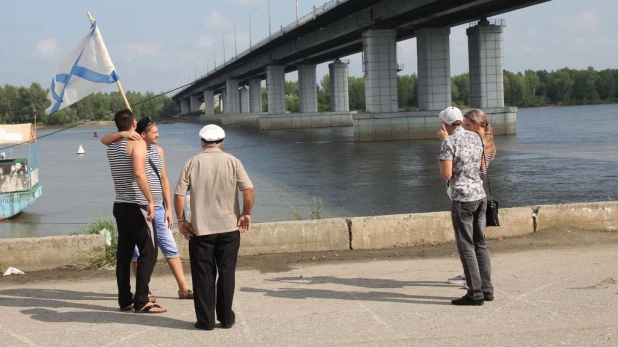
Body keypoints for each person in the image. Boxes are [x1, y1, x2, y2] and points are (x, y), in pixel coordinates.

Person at [101, 117, 194, 301]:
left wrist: (168, 208)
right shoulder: (133, 148)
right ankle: (145, 291)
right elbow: (107, 142)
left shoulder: (159, 151)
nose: (158, 135)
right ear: (142, 134)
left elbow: (164, 179)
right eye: (154, 132)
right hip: (141, 207)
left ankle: (184, 287)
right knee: (139, 252)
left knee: (169, 247)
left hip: (158, 207)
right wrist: (126, 134)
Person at [174, 124, 254, 330]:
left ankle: (206, 320)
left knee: (203, 276)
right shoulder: (233, 161)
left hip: (201, 230)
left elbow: (179, 195)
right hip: (229, 228)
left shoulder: (192, 162)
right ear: (222, 142)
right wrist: (245, 214)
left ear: (202, 141)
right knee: (227, 273)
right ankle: (226, 318)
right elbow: (248, 189)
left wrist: (182, 220)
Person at [106, 108, 166, 313]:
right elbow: (140, 173)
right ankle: (142, 300)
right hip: (136, 204)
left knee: (124, 255)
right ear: (134, 125)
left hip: (120, 204)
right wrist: (150, 200)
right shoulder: (137, 144)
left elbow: (104, 140)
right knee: (149, 251)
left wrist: (121, 134)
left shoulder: (112, 145)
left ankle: (125, 299)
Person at [437, 106, 494, 306]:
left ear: (445, 124)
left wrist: (442, 153)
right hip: (480, 196)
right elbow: (482, 167)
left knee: (466, 246)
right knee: (481, 243)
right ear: (461, 120)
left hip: (462, 199)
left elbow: (447, 174)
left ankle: (475, 293)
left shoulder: (448, 142)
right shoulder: (476, 137)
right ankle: (487, 289)